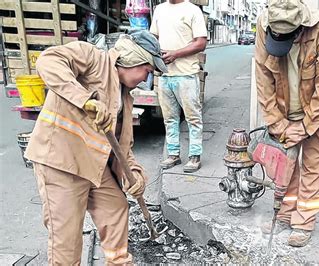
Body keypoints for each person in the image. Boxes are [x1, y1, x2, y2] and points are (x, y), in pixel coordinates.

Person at [24, 30, 168, 264]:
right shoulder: (92, 58)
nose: (146, 78)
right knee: (66, 241)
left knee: (117, 208)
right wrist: (84, 99)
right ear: (133, 59)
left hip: (95, 167)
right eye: (148, 71)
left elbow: (123, 148)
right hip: (62, 162)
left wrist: (137, 174)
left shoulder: (127, 97)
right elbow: (48, 61)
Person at [255, 0, 319, 247]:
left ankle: (304, 222)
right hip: (283, 113)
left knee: (313, 168)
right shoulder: (264, 24)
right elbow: (263, 81)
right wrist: (277, 124)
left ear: (300, 29)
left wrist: (304, 127)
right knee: (286, 168)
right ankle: (283, 215)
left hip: (317, 115)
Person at [149, 0, 207, 172]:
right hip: (165, 74)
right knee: (169, 119)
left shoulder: (193, 10)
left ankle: (194, 157)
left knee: (193, 118)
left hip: (187, 74)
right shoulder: (159, 9)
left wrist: (175, 54)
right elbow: (154, 38)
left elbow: (201, 43)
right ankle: (173, 155)